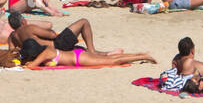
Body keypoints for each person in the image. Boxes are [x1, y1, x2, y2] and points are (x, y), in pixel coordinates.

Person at [18, 37, 155, 69]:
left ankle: (143, 56)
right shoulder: (46, 51)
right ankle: (140, 54)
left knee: (112, 61)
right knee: (112, 58)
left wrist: (23, 63)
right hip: (78, 55)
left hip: (79, 59)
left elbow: (32, 66)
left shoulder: (45, 54)